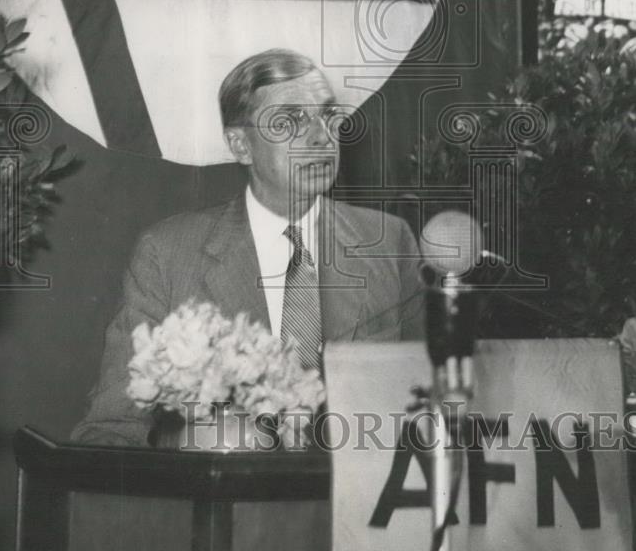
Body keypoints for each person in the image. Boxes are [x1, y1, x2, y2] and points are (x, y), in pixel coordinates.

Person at [72, 48, 423, 445]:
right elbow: (112, 427)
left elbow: (432, 407)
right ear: (241, 146)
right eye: (289, 121)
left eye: (328, 116)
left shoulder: (390, 242)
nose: (321, 137)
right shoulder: (168, 255)